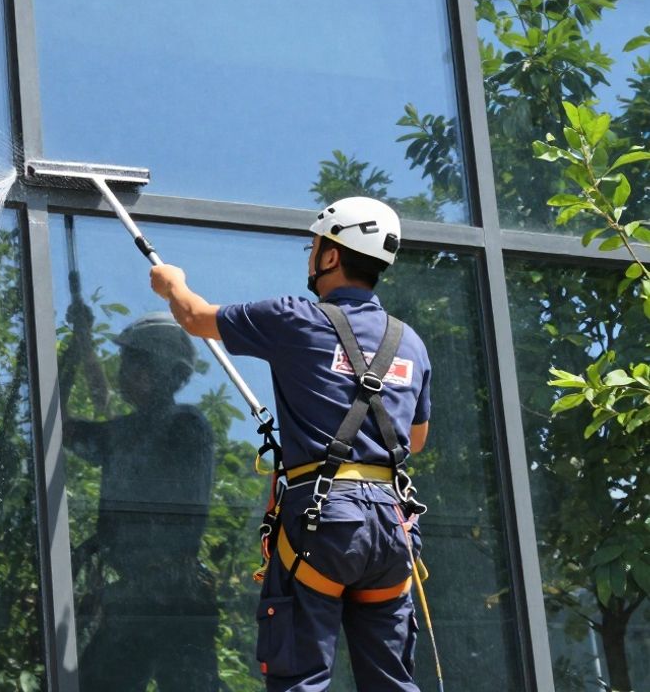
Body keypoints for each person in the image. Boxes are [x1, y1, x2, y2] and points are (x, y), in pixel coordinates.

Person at [149, 197, 432, 692]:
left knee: (300, 678)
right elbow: (415, 439)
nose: (310, 256)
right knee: (391, 683)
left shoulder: (295, 318)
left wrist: (170, 280)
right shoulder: (409, 343)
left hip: (325, 521)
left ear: (330, 256)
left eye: (314, 246)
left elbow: (194, 317)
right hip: (392, 527)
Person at [59, 308, 219, 691]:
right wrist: (78, 345)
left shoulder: (182, 425)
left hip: (165, 599)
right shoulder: (144, 430)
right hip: (149, 598)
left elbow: (79, 429)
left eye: (133, 362)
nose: (125, 372)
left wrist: (78, 345)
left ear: (156, 372)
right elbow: (79, 426)